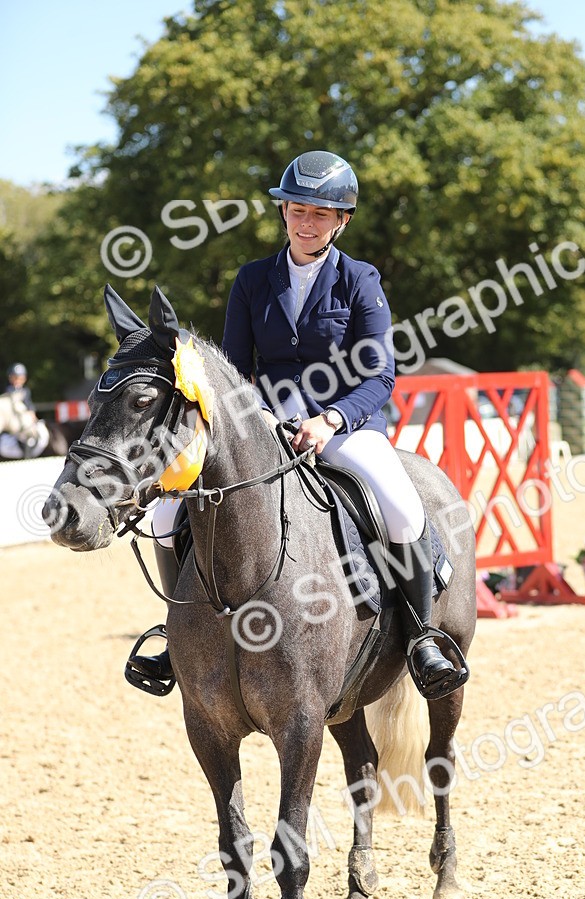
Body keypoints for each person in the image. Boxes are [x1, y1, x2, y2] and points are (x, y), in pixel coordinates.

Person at [128, 150, 468, 700]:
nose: (305, 223)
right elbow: (234, 371)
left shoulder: (360, 280)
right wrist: (261, 419)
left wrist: (331, 420)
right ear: (283, 212)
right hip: (265, 428)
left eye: (319, 214)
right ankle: (179, 635)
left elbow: (380, 374)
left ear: (341, 221)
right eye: (297, 211)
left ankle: (421, 635)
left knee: (401, 505)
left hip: (346, 427)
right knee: (169, 508)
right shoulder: (253, 280)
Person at [0, 363, 49, 459]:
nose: (17, 380)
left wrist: (32, 414)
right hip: (11, 420)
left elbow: (29, 405)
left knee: (28, 437)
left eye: (20, 378)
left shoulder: (25, 391)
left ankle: (27, 457)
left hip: (23, 419)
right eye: (15, 377)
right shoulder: (6, 391)